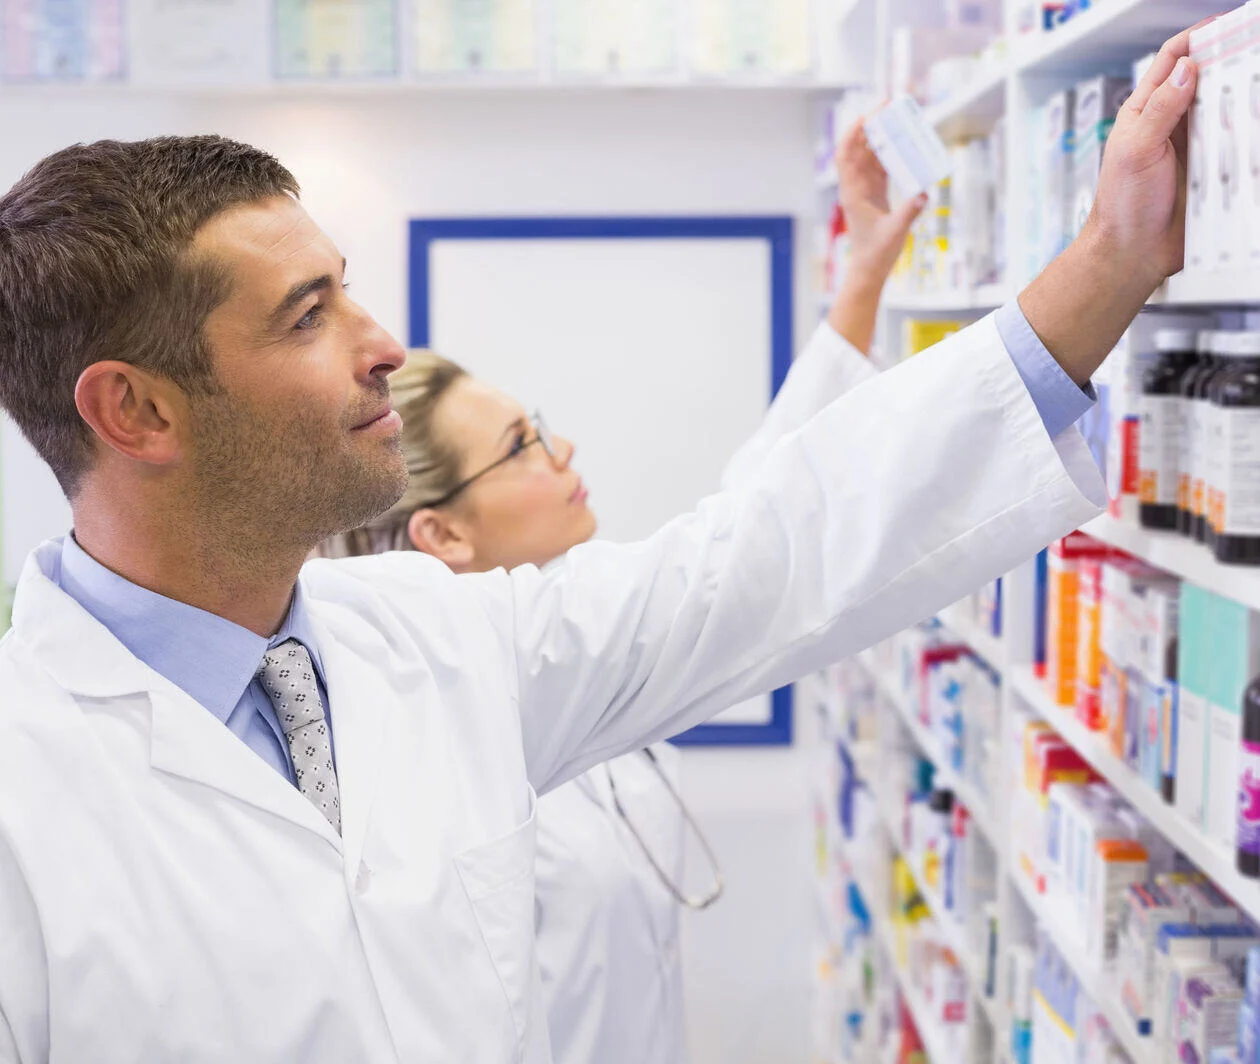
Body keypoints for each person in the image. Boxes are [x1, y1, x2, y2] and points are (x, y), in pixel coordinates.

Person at [0, 29, 1201, 1064]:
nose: (382, 343)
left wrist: (1110, 261)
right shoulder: (27, 792)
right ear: (138, 411)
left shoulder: (436, 636)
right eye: (308, 314)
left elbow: (764, 552)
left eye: (347, 290)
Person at [316, 118, 920, 1064]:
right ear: (443, 536)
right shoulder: (430, 755)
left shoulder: (575, 641)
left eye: (539, 426)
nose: (565, 453)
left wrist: (863, 282)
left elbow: (758, 519)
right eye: (522, 445)